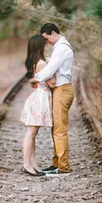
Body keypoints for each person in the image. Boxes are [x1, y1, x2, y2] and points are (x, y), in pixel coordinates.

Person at [30, 23, 74, 175]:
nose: (46, 42)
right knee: (56, 128)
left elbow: (50, 69)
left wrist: (36, 78)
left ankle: (63, 167)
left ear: (53, 33)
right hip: (60, 90)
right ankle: (57, 164)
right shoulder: (60, 47)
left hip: (62, 90)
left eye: (46, 38)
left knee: (59, 130)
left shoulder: (62, 48)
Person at [20, 34, 55, 176]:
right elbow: (51, 83)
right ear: (40, 46)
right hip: (41, 98)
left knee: (32, 133)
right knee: (31, 133)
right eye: (44, 43)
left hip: (38, 97)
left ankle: (33, 164)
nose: (46, 44)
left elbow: (37, 79)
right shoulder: (42, 63)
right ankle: (27, 165)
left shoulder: (37, 62)